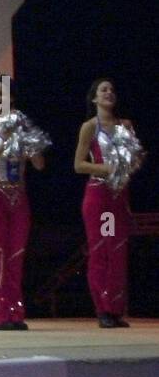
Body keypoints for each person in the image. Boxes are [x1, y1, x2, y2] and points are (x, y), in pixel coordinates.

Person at [73, 78, 143, 328]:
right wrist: (106, 168)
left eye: (112, 89)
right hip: (99, 196)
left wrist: (131, 165)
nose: (109, 93)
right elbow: (79, 164)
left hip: (118, 196)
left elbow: (135, 159)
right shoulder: (90, 127)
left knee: (117, 251)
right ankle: (102, 308)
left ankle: (115, 308)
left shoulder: (126, 126)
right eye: (104, 90)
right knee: (101, 249)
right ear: (94, 98)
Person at [0, 81, 43, 330]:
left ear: (12, 99)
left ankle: (15, 310)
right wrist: (1, 142)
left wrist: (26, 138)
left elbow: (38, 164)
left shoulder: (22, 128)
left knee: (15, 258)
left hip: (19, 198)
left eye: (1, 94)